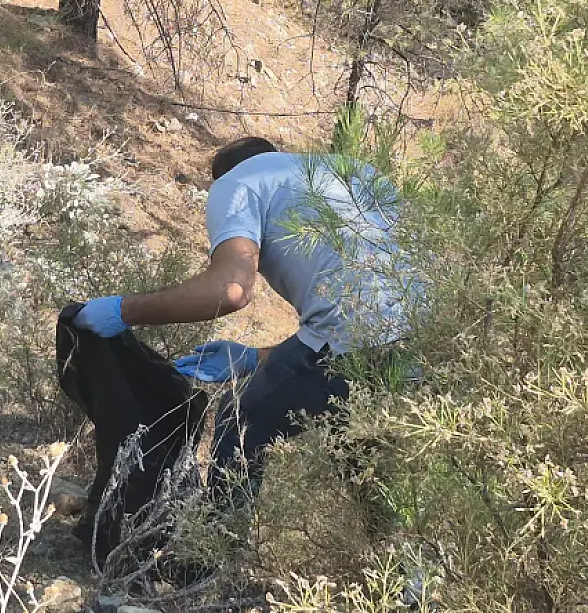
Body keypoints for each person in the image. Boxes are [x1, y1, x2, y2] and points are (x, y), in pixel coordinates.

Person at [69, 136, 421, 494]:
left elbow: (231, 291)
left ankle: (220, 543)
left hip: (356, 342)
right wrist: (257, 358)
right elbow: (377, 309)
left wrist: (122, 311)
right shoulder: (354, 171)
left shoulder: (237, 183)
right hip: (436, 337)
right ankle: (382, 543)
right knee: (356, 431)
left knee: (240, 415)